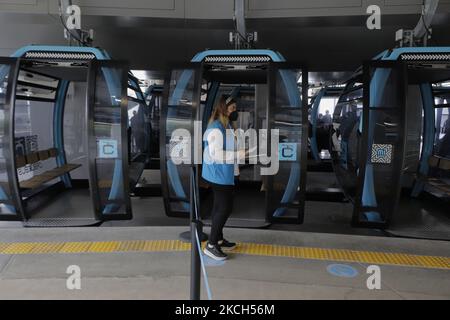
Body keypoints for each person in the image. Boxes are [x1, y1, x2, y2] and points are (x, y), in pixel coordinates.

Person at [202, 95, 246, 261]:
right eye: (232, 108)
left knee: (219, 206)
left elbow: (230, 151)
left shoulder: (226, 126)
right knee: (224, 208)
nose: (235, 111)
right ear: (224, 109)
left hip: (224, 173)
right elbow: (216, 154)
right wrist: (238, 154)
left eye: (235, 108)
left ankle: (218, 238)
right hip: (218, 174)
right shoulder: (216, 128)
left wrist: (236, 170)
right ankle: (211, 245)